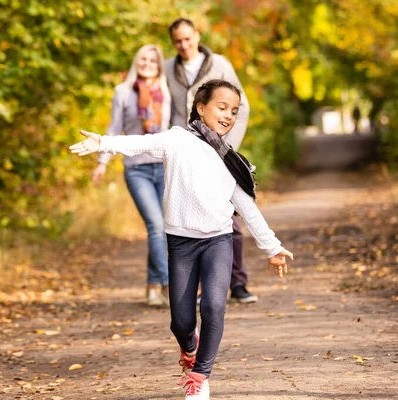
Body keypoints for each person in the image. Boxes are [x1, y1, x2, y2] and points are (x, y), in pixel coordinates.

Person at [70, 79, 294, 400]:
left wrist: (272, 247)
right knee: (181, 320)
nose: (229, 115)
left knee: (215, 306)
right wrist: (104, 143)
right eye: (222, 107)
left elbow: (246, 207)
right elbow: (140, 143)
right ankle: (190, 349)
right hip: (181, 243)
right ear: (201, 107)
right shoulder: (176, 140)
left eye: (234, 110)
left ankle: (200, 376)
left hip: (218, 240)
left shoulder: (229, 159)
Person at [165, 18, 257, 304]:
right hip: (186, 153)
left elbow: (242, 106)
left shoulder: (219, 64)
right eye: (178, 41)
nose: (184, 45)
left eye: (187, 39)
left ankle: (238, 283)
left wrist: (227, 147)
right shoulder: (169, 69)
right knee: (191, 218)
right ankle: (199, 288)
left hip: (219, 150)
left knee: (229, 217)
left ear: (197, 36)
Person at [91, 44, 171, 307]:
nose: (147, 63)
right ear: (137, 62)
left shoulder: (166, 92)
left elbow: (173, 131)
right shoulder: (123, 92)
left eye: (152, 60)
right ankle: (172, 284)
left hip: (164, 166)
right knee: (156, 227)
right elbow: (114, 129)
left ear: (159, 65)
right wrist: (102, 162)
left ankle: (152, 287)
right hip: (136, 169)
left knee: (163, 228)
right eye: (143, 59)